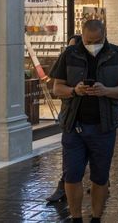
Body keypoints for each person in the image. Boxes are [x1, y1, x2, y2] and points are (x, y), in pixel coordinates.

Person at [52, 20, 118, 223]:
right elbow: (57, 88)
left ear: (105, 36)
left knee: (100, 176)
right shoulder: (69, 54)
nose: (93, 44)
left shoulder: (116, 54)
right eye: (88, 41)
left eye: (98, 41)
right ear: (82, 36)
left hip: (104, 127)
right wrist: (74, 91)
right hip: (74, 126)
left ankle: (96, 218)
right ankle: (76, 218)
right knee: (72, 175)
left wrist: (106, 91)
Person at [46, 35, 82, 203]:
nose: (68, 50)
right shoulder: (66, 61)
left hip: (88, 119)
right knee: (72, 159)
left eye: (71, 47)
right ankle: (64, 187)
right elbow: (58, 87)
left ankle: (102, 182)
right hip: (70, 115)